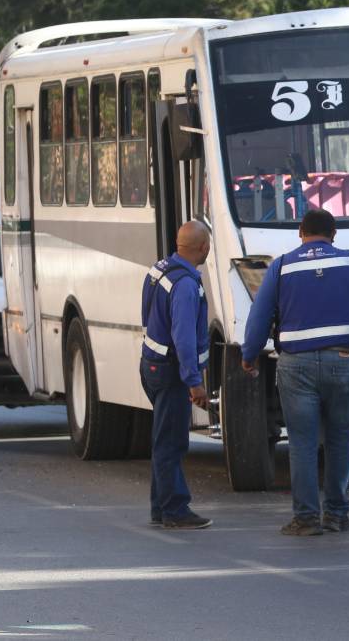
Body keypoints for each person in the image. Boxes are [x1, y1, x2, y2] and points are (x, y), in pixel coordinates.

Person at [241, 209, 349, 537]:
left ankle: (306, 518)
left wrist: (249, 355)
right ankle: (337, 515)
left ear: (300, 233)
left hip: (296, 366)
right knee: (339, 441)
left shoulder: (282, 266)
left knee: (302, 443)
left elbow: (260, 316)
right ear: (334, 233)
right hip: (342, 360)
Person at [140, 221, 212, 529]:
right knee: (171, 442)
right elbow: (183, 338)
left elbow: (147, 314)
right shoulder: (185, 284)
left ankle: (160, 506)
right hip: (170, 371)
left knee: (163, 439)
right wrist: (194, 382)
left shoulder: (160, 269)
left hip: (152, 364)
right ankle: (175, 509)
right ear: (203, 248)